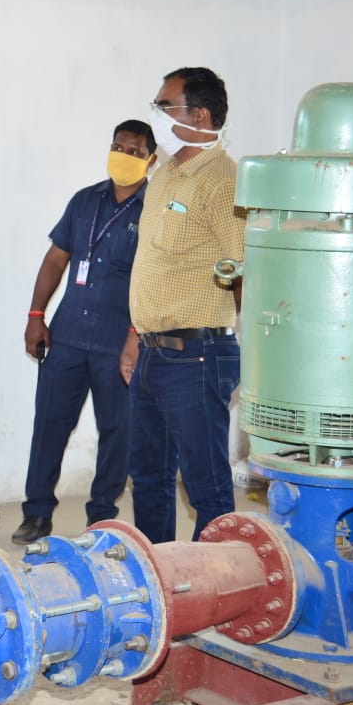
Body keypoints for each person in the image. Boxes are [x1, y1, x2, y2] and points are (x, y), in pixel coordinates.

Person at [11, 120, 156, 544]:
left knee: (117, 433)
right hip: (68, 335)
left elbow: (152, 280)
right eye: (117, 146)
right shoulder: (85, 201)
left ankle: (102, 517)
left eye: (133, 150)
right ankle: (36, 513)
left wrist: (136, 332)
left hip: (119, 341)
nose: (122, 155)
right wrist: (36, 314)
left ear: (150, 159)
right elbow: (56, 259)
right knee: (49, 426)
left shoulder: (154, 211)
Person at [126, 66, 244, 543]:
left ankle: (219, 585)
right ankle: (160, 577)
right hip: (153, 353)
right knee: (149, 478)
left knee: (206, 484)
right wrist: (134, 338)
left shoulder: (224, 180)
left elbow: (242, 269)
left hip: (196, 355)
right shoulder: (165, 174)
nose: (155, 115)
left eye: (164, 105)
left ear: (199, 114)